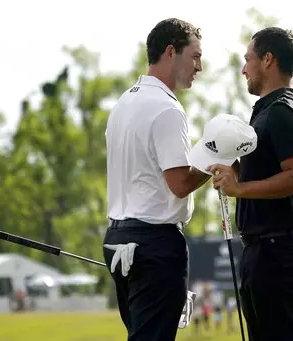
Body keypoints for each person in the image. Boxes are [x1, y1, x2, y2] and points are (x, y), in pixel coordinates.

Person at [206, 27, 293, 341]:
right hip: (264, 252)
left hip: (278, 252)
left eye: (248, 59)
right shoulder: (264, 113)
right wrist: (234, 169)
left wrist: (239, 189)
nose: (244, 68)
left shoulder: (283, 113)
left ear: (268, 60)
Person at [102, 18, 211, 341]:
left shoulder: (123, 103)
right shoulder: (166, 108)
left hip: (118, 238)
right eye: (194, 56)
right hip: (155, 244)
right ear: (170, 52)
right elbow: (179, 184)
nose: (199, 67)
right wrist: (217, 156)